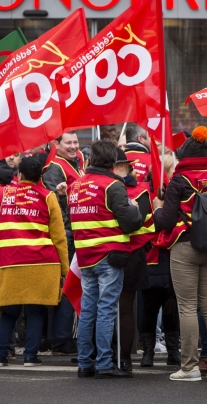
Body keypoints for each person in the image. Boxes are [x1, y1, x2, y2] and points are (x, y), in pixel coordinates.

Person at [153, 127, 207, 381]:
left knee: (187, 307)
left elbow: (166, 220)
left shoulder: (179, 180)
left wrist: (156, 208)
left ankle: (189, 367)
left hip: (185, 246)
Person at [0, 156, 69, 367]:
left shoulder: (1, 194)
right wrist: (64, 268)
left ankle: (0, 356)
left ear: (19, 174)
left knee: (9, 312)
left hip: (7, 261)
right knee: (35, 312)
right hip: (41, 263)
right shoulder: (48, 197)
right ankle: (30, 356)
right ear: (41, 176)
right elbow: (58, 237)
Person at [68, 139, 143, 379]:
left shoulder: (75, 186)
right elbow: (130, 222)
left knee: (88, 310)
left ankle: (84, 363)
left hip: (85, 256)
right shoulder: (113, 185)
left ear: (90, 159)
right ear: (112, 162)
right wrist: (134, 207)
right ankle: (103, 363)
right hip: (109, 256)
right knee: (106, 309)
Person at [111, 148, 155, 371]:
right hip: (108, 252)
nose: (114, 170)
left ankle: (124, 357)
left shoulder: (141, 192)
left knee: (125, 307)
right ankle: (108, 353)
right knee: (107, 306)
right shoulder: (106, 188)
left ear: (124, 167)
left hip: (131, 255)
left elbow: (142, 223)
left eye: (118, 166)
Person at [42, 131, 83, 356]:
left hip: (75, 232)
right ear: (56, 144)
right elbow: (50, 203)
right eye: (68, 142)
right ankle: (60, 338)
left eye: (75, 142)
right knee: (67, 285)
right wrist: (59, 196)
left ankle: (64, 335)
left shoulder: (76, 164)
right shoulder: (55, 168)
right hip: (66, 233)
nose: (73, 146)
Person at [139, 153, 180, 369]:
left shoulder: (172, 193)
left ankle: (172, 352)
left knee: (169, 307)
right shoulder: (144, 195)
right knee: (151, 307)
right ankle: (148, 353)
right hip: (154, 257)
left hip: (168, 256)